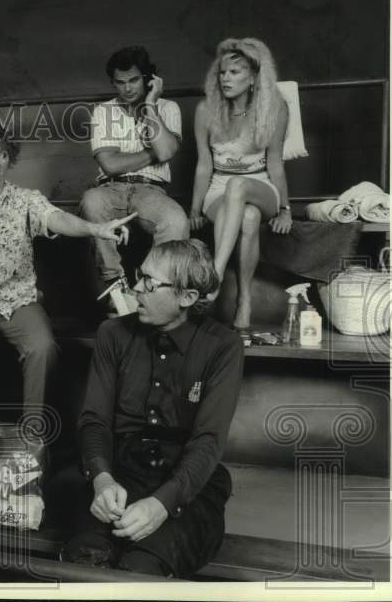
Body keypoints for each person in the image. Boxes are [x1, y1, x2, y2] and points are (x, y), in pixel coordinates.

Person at [0, 122, 135, 428]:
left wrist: (96, 228)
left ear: (10, 160)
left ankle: (32, 440)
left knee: (43, 348)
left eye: (1, 154)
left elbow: (57, 219)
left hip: (16, 296)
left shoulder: (26, 199)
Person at [61, 239, 244, 578]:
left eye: (150, 282)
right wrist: (101, 479)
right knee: (86, 560)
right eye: (139, 275)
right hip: (119, 468)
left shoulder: (223, 346)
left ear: (186, 297)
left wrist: (163, 504)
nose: (136, 288)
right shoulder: (112, 333)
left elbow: (208, 440)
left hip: (189, 482)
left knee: (142, 569)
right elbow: (94, 420)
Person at [189, 38, 292, 330]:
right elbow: (203, 165)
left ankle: (215, 276)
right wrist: (195, 209)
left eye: (234, 72)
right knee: (248, 217)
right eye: (222, 72)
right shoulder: (204, 110)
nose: (225, 79)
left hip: (260, 185)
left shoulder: (275, 108)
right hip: (218, 189)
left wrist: (285, 209)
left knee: (239, 186)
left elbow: (275, 163)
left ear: (254, 77)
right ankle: (244, 301)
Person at [80, 46, 190, 310]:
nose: (127, 88)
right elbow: (109, 165)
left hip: (150, 191)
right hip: (110, 189)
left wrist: (151, 104)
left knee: (176, 221)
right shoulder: (103, 111)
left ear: (149, 79)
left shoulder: (167, 107)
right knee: (91, 201)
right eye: (120, 82)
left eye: (134, 80)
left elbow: (167, 151)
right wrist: (154, 152)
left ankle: (152, 287)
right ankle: (115, 289)